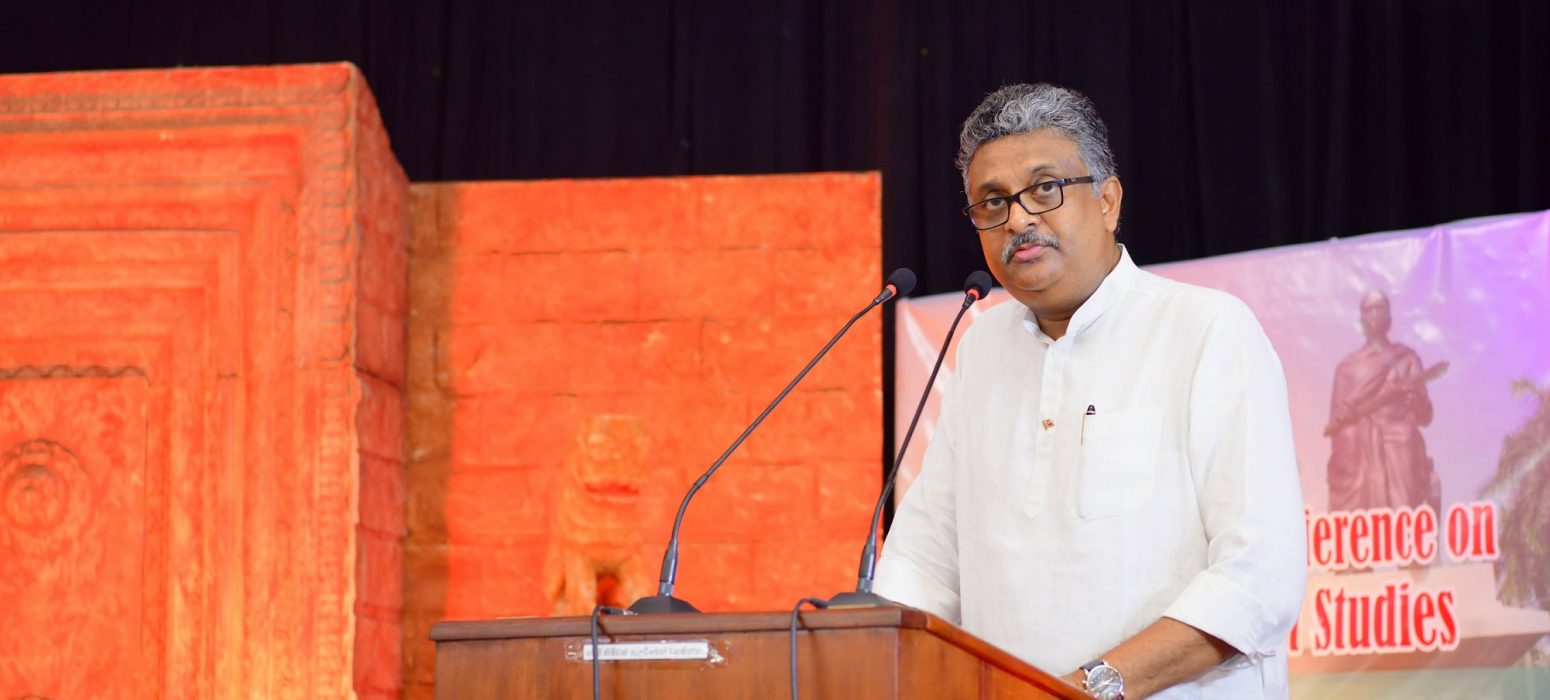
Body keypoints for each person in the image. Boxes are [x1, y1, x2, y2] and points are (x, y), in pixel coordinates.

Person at [874, 83, 1307, 699]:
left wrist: (1085, 690)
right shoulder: (982, 348)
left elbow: (1259, 577)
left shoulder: (1206, 328)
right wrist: (862, 652)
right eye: (992, 202)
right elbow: (926, 558)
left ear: (1107, 201)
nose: (1018, 219)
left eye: (1044, 189)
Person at [1325, 291, 1440, 513]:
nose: (1375, 314)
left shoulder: (1407, 359)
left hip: (1398, 435)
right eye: (1369, 309)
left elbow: (1425, 416)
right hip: (1357, 444)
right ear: (1361, 319)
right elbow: (1336, 424)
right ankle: (1355, 525)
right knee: (1349, 437)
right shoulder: (1346, 368)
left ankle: (1401, 522)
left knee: (1407, 435)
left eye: (1380, 308)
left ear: (1389, 317)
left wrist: (1414, 400)